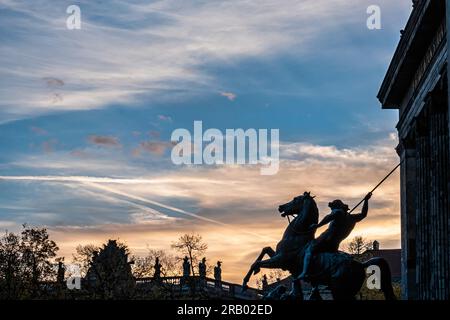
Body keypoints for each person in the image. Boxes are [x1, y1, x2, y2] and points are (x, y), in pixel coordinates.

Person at [298, 192, 372, 280]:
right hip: (335, 245)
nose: (332, 210)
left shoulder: (338, 213)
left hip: (325, 240)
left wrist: (317, 225)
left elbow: (328, 217)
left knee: (309, 249)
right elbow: (363, 214)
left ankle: (304, 272)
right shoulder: (352, 218)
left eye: (332, 208)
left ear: (336, 207)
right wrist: (366, 201)